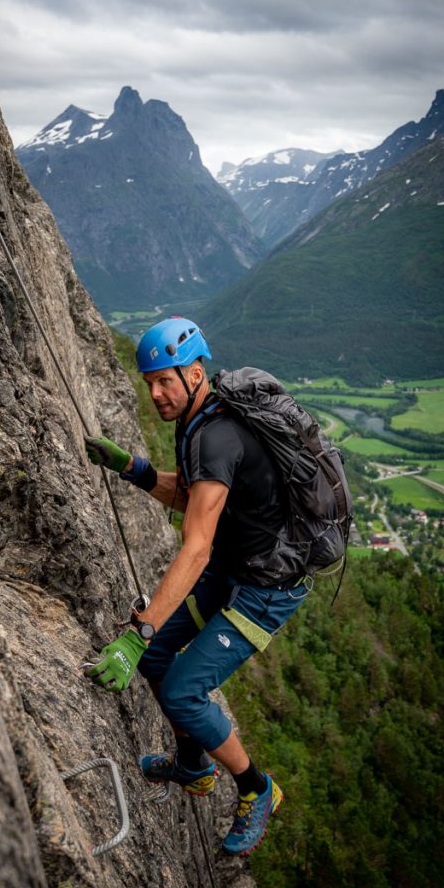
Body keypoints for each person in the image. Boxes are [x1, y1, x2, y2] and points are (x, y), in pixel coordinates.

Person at [84, 317, 310, 856]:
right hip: (238, 570)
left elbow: (196, 546)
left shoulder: (215, 434)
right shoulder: (197, 420)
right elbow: (194, 497)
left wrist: (137, 631)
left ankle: (258, 788)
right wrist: (134, 469)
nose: (156, 392)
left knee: (182, 688)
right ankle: (192, 766)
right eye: (150, 382)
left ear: (195, 371)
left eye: (165, 380)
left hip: (266, 589)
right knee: (159, 655)